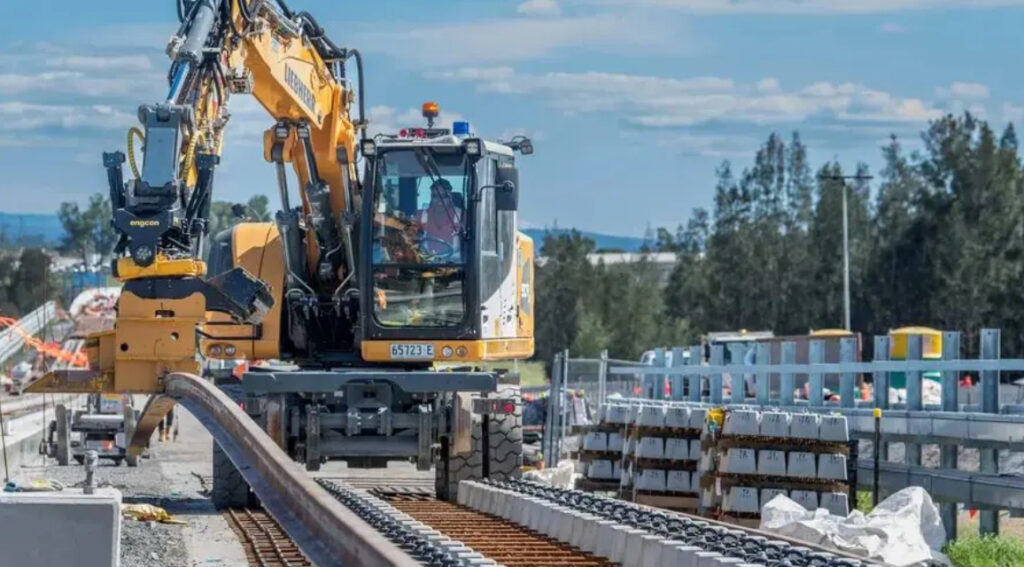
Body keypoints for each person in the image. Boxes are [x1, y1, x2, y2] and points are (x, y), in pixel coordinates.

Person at [417, 179, 463, 257]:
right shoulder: (420, 216)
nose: (440, 201)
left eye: (444, 196)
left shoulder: (462, 216)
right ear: (431, 197)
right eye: (435, 196)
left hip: (457, 265)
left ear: (450, 197)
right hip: (426, 266)